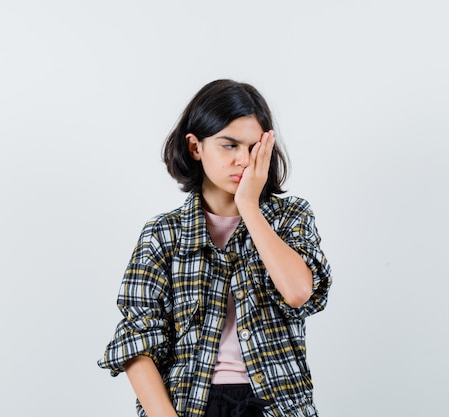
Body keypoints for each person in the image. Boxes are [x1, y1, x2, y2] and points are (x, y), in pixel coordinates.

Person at [98, 79, 332, 417]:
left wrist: (249, 206)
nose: (243, 159)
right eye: (229, 145)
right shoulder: (163, 234)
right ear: (195, 147)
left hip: (276, 405)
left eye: (253, 147)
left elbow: (298, 292)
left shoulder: (290, 217)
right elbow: (138, 341)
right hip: (190, 404)